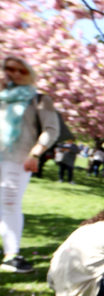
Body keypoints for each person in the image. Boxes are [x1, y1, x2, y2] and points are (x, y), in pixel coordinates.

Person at [0, 56, 59, 273]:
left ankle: (11, 255)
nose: (13, 74)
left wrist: (36, 153)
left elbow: (51, 129)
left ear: (29, 73)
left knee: (9, 203)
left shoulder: (40, 99)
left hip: (19, 158)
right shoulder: (3, 97)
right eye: (8, 69)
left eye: (20, 70)